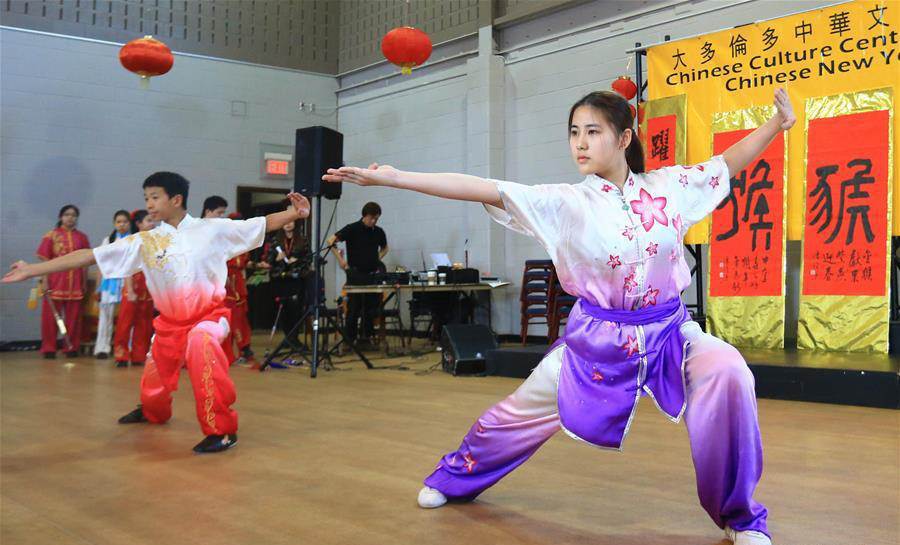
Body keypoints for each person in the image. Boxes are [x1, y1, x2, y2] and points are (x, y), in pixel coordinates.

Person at [322, 88, 797, 545]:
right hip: (596, 339)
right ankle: (455, 476)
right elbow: (480, 188)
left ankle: (740, 515)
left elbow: (727, 163)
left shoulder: (668, 187)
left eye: (593, 131)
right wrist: (394, 178)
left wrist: (777, 124)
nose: (581, 143)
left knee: (729, 369)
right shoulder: (564, 203)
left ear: (624, 138)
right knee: (515, 415)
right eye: (574, 132)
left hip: (670, 330)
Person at [4, 172, 310, 453]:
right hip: (168, 322)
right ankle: (152, 411)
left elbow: (261, 224)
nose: (148, 204)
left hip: (209, 317)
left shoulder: (213, 229)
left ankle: (223, 431)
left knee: (201, 348)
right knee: (155, 380)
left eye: (154, 197)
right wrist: (34, 270)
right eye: (146, 198)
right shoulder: (146, 241)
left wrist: (295, 212)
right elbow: (89, 256)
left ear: (175, 199)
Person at [326, 202, 388, 346]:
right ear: (364, 216)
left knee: (371, 308)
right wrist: (342, 261)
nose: (373, 221)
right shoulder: (352, 229)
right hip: (355, 273)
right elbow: (330, 241)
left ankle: (366, 338)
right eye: (372, 218)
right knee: (354, 308)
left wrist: (377, 258)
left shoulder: (378, 231)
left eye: (376, 219)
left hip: (372, 274)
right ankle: (349, 339)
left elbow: (385, 248)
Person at [36, 204, 91, 358]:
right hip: (55, 282)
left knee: (74, 318)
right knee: (50, 318)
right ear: (61, 217)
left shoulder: (82, 237)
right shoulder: (51, 236)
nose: (70, 218)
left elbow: (86, 262)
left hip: (76, 284)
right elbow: (44, 261)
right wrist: (45, 281)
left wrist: (84, 283)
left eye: (73, 215)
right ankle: (49, 348)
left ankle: (71, 347)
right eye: (67, 214)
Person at [113, 210, 155, 368]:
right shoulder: (132, 242)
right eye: (148, 220)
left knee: (144, 324)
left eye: (152, 220)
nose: (152, 223)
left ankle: (139, 355)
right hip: (133, 288)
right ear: (138, 224)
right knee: (125, 323)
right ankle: (121, 355)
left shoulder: (155, 242)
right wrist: (130, 290)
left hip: (148, 288)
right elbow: (127, 268)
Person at [265, 211, 312, 349]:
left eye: (290, 222)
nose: (288, 225)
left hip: (296, 279)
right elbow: (268, 260)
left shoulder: (302, 240)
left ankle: (294, 337)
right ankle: (288, 337)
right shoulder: (275, 241)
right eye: (285, 222)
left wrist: (297, 260)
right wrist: (275, 258)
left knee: (296, 310)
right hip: (280, 279)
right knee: (283, 310)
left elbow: (309, 258)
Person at [93, 210, 132, 359]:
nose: (122, 225)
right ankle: (102, 347)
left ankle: (127, 348)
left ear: (129, 223)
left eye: (125, 222)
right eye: (118, 222)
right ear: (114, 224)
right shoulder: (108, 240)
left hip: (126, 282)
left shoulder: (133, 239)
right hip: (109, 283)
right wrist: (98, 287)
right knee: (105, 316)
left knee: (127, 317)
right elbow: (100, 265)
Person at [223, 212, 254, 363]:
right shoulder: (223, 244)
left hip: (239, 285)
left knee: (241, 318)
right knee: (230, 319)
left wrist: (244, 285)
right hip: (227, 285)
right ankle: (228, 352)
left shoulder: (244, 244)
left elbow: (243, 267)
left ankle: (245, 348)